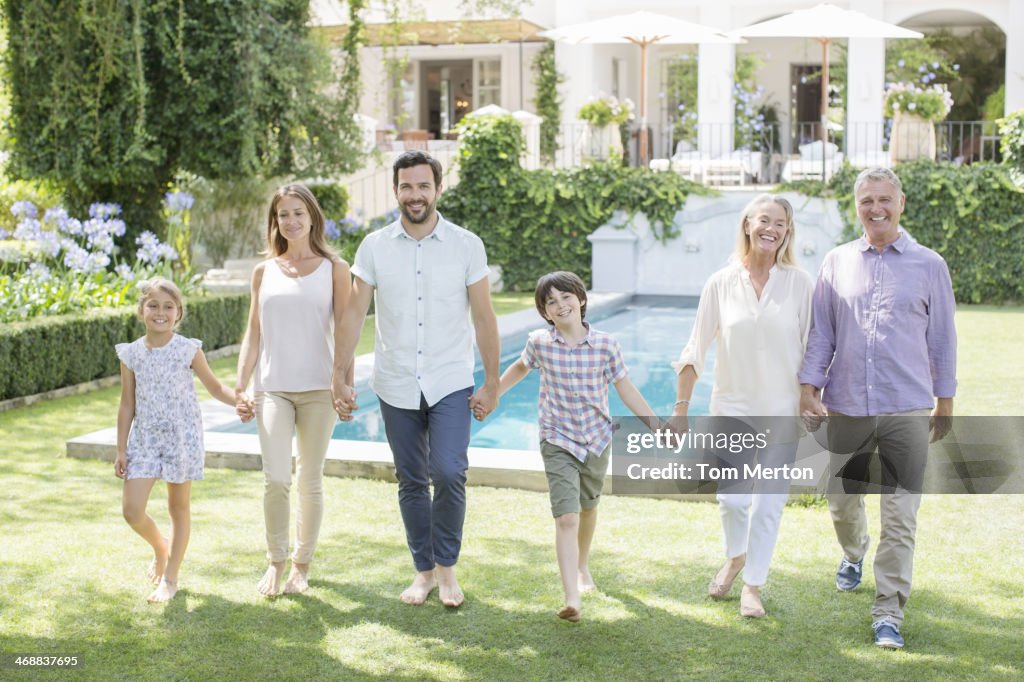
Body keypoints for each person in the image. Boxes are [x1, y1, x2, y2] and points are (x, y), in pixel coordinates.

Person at [798, 167, 956, 649]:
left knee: (902, 514)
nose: (876, 208)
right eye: (867, 200)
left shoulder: (930, 265)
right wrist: (809, 386)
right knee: (843, 503)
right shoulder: (836, 261)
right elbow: (821, 330)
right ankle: (853, 553)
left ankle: (888, 611)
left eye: (884, 199)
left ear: (901, 203)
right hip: (845, 405)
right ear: (857, 206)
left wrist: (945, 399)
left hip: (907, 406)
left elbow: (943, 337)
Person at [334, 151, 500, 607]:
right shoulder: (373, 246)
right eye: (406, 187)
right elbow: (352, 315)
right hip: (396, 380)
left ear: (438, 189)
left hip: (450, 378)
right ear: (395, 191)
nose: (415, 195)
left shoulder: (467, 245)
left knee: (448, 472)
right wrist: (339, 375)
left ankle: (448, 570)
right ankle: (423, 572)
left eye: (423, 186)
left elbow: (485, 318)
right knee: (411, 479)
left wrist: (492, 382)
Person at [671, 194, 813, 619]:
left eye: (781, 223)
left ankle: (753, 585)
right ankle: (735, 557)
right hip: (731, 406)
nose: (772, 228)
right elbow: (695, 348)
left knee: (768, 503)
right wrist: (681, 409)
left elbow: (815, 348)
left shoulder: (801, 283)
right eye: (764, 220)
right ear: (747, 225)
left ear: (788, 232)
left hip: (782, 410)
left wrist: (814, 397)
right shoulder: (720, 282)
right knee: (732, 501)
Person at [499, 271, 659, 623]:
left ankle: (583, 566)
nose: (560, 304)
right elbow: (520, 367)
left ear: (581, 299)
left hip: (597, 439)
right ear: (545, 312)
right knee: (567, 516)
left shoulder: (605, 344)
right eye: (550, 301)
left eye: (566, 296)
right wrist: (492, 394)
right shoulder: (539, 342)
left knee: (588, 508)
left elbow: (625, 387)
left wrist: (655, 424)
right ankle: (572, 595)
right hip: (557, 438)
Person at [235, 184, 352, 597]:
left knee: (310, 479)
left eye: (299, 213)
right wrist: (241, 385)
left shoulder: (335, 268)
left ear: (313, 217)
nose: (292, 221)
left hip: (320, 389)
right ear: (276, 221)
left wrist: (345, 383)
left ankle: (301, 566)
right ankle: (275, 560)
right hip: (273, 389)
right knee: (277, 479)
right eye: (284, 214)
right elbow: (253, 332)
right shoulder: (263, 271)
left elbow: (345, 331)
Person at [116, 278, 250, 603]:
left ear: (178, 313)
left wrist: (240, 401)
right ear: (141, 310)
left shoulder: (188, 349)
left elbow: (215, 388)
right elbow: (126, 403)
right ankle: (160, 546)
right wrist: (121, 448)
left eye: (168, 306)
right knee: (132, 511)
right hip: (145, 440)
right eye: (153, 305)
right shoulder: (131, 354)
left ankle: (170, 578)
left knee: (178, 507)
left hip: (181, 437)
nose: (160, 312)